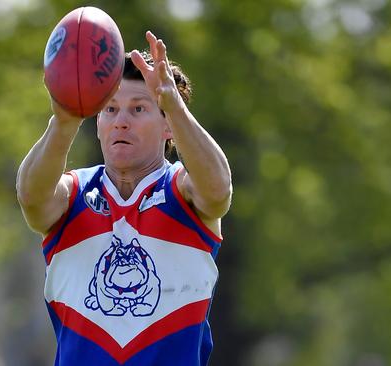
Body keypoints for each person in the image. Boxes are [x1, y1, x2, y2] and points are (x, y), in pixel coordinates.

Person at [16, 30, 232, 366]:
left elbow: (219, 192)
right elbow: (31, 198)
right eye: (110, 109)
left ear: (168, 127)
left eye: (138, 109)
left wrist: (172, 103)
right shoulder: (73, 195)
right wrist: (64, 119)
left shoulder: (184, 191)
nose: (121, 122)